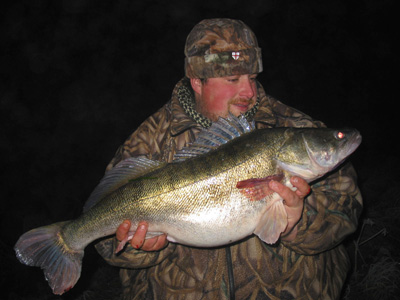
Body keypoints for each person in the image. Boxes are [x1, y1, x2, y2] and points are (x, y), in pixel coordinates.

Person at [95, 19, 362, 300]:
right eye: (233, 79)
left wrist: (299, 223)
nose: (249, 92)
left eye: (252, 78)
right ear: (197, 81)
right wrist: (138, 250)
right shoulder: (150, 141)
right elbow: (103, 241)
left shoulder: (293, 129)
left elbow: (347, 210)